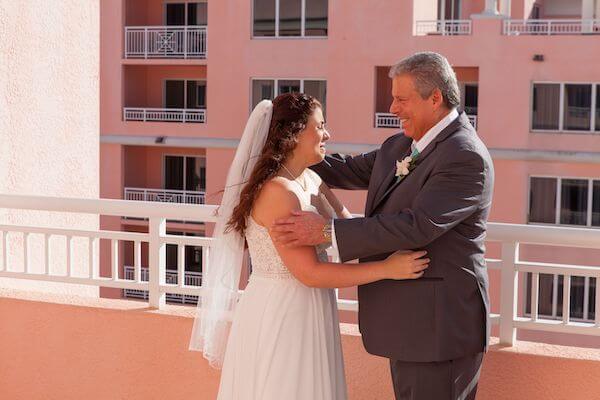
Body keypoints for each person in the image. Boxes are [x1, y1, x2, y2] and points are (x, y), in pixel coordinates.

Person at [271, 52, 495, 400]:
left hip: (440, 329)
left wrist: (327, 232)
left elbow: (418, 226)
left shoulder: (466, 156)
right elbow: (347, 169)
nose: (392, 107)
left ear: (435, 97)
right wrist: (287, 148)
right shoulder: (401, 146)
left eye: (401, 99)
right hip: (409, 324)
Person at [189, 93, 430, 400]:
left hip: (312, 306)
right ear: (293, 134)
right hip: (284, 310)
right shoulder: (278, 192)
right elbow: (311, 273)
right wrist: (387, 269)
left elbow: (347, 229)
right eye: (320, 126)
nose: (327, 134)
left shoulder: (311, 179)